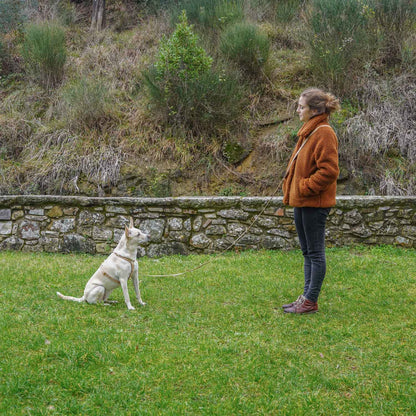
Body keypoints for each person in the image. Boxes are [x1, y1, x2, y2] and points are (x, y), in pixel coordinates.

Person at [281, 88, 340, 314]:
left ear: (315, 110)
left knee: (315, 253)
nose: (297, 110)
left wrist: (304, 187)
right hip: (303, 202)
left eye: (301, 107)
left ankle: (310, 300)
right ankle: (305, 298)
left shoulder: (324, 132)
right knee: (307, 252)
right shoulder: (309, 131)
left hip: (314, 203)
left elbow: (329, 171)